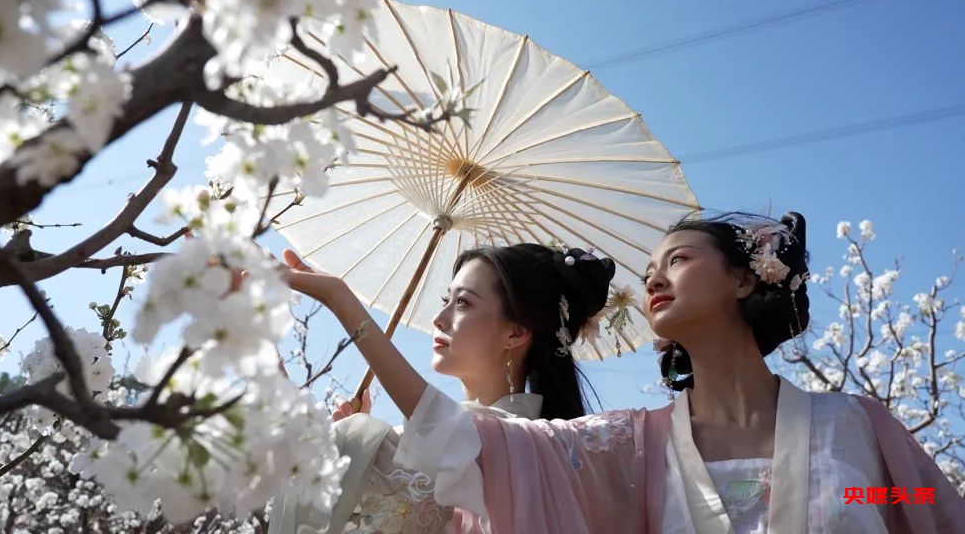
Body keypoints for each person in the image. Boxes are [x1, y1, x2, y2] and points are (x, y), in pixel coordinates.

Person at [278, 211, 965, 532]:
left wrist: (852, 500)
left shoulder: (853, 425)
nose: (655, 277)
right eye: (648, 269)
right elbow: (475, 442)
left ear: (745, 281)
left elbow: (925, 508)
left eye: (679, 259)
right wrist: (343, 303)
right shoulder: (627, 447)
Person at [269, 243, 618, 533]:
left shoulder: (520, 446)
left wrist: (338, 297)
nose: (440, 318)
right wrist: (356, 446)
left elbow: (449, 426)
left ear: (515, 332)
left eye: (464, 302)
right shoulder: (429, 437)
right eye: (446, 299)